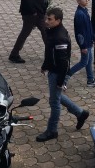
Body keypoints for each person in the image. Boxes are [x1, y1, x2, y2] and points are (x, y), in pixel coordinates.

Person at [36, 7, 89, 142]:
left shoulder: (60, 38)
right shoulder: (52, 31)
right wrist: (45, 65)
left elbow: (64, 63)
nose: (46, 21)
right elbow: (50, 53)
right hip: (53, 70)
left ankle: (52, 130)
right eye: (46, 18)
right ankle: (80, 113)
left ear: (58, 21)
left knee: (54, 102)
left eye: (50, 19)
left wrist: (60, 81)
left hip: (57, 73)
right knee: (57, 96)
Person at [67, 0, 95, 87]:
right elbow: (80, 33)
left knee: (89, 61)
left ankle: (90, 80)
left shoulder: (85, 11)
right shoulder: (80, 14)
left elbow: (89, 27)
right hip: (85, 43)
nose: (87, 0)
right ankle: (66, 76)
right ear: (78, 1)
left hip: (89, 41)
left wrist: (94, 39)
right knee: (84, 62)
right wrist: (83, 46)